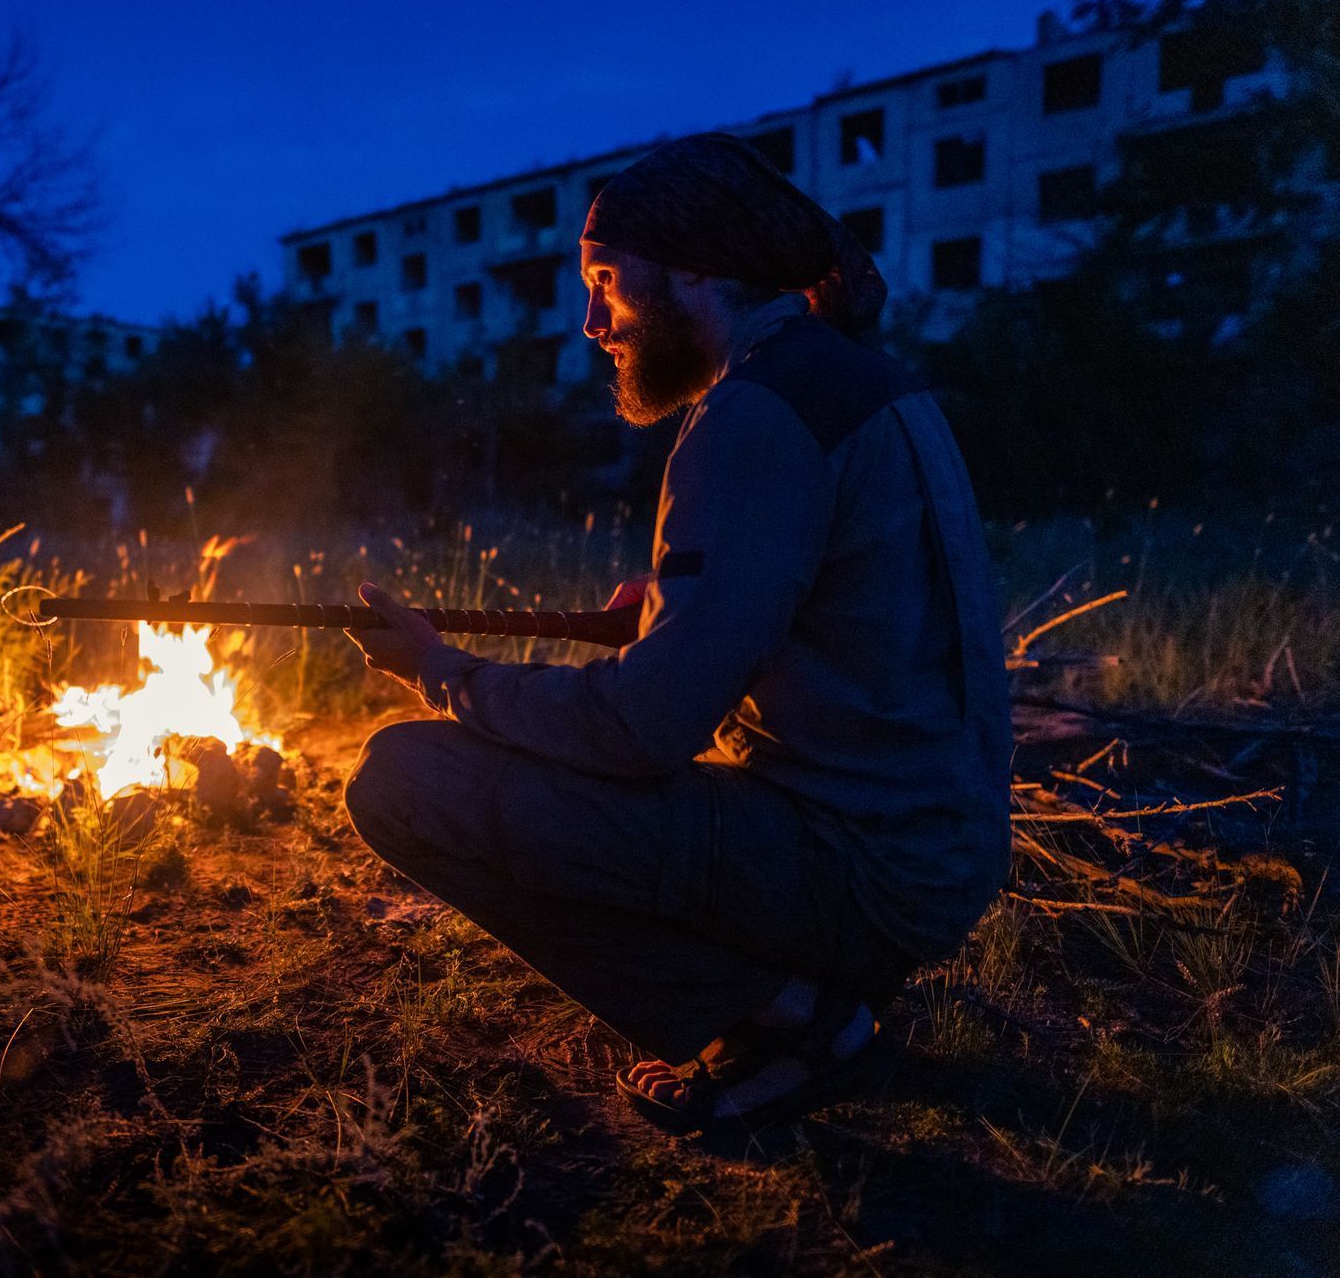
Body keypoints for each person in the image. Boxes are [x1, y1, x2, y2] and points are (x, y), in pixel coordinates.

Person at [341, 133, 1012, 1135]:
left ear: (694, 267)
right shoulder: (866, 381)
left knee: (404, 778)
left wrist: (443, 671)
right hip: (937, 849)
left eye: (607, 280)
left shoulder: (752, 414)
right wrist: (664, 619)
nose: (591, 321)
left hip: (864, 872)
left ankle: (794, 1018)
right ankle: (785, 1003)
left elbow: (643, 734)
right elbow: (830, 619)